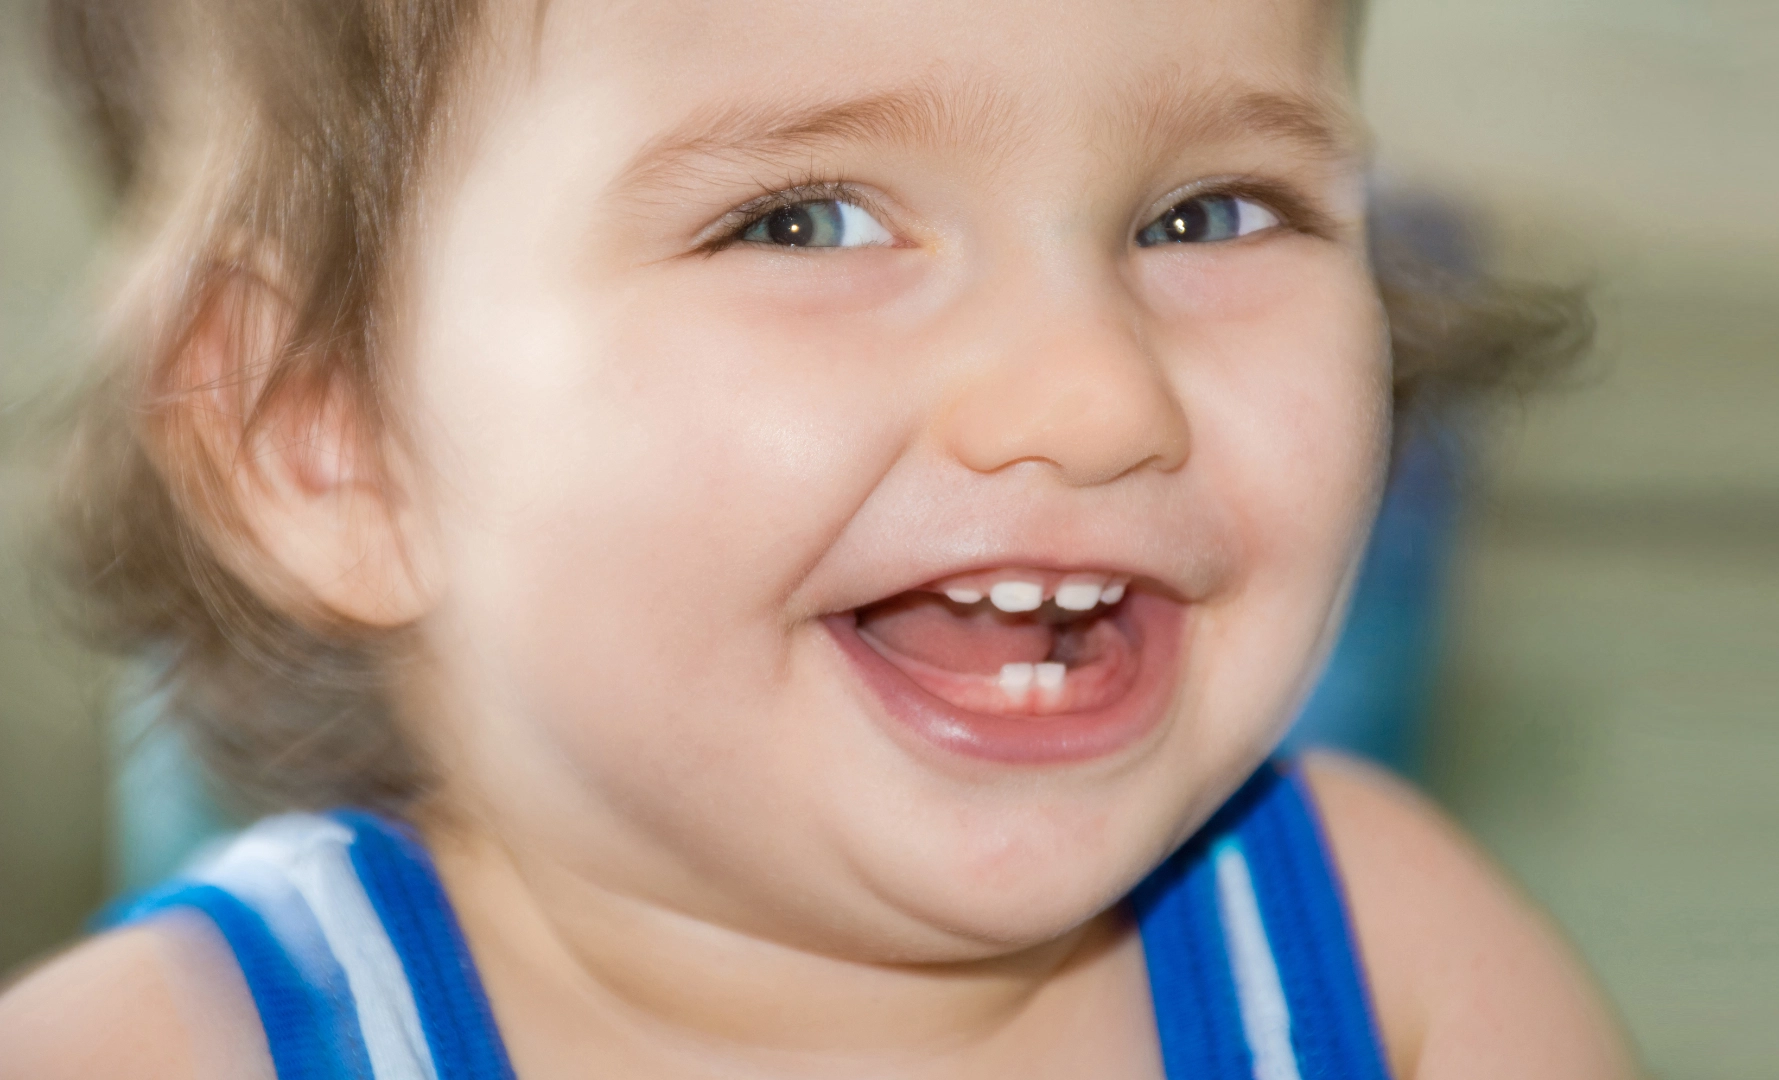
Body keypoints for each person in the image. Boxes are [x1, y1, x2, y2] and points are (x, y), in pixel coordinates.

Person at [0, 0, 1633, 1075]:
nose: (1092, 389)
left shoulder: (1393, 967)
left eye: (1205, 212)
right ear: (330, 441)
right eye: (805, 221)